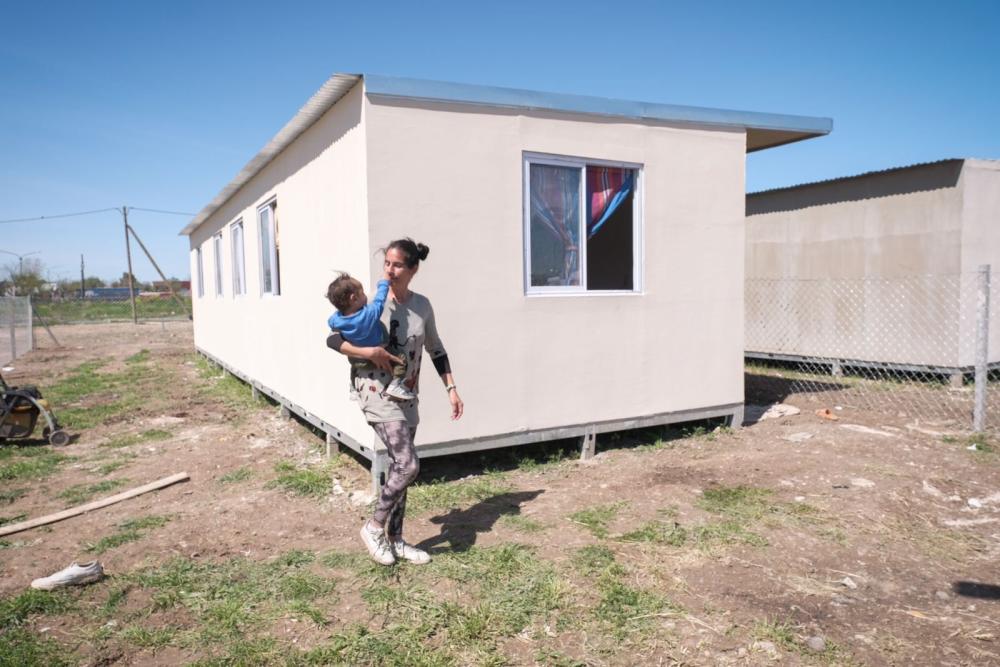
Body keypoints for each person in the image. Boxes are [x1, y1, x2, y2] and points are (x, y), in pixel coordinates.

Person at [326, 238, 464, 566]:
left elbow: (436, 349)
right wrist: (368, 353)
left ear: (413, 269)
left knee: (399, 467)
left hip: (407, 394)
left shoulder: (423, 306)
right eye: (387, 263)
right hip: (375, 392)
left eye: (398, 264)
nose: (390, 269)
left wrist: (452, 389)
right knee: (409, 464)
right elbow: (333, 339)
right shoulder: (372, 301)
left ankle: (396, 539)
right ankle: (374, 528)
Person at [326, 269, 414, 402]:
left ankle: (354, 388)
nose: (365, 296)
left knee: (354, 366)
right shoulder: (369, 314)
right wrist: (384, 281)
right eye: (362, 293)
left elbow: (332, 326)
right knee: (401, 358)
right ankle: (395, 385)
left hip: (358, 361)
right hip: (380, 350)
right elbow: (380, 299)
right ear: (354, 298)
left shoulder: (336, 319)